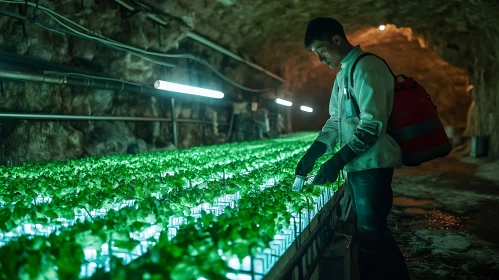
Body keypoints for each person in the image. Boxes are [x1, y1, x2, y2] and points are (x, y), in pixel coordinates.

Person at [295, 17, 410, 280]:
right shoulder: (342, 75)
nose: (320, 60)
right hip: (357, 165)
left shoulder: (367, 66)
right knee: (367, 230)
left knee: (372, 231)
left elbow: (372, 125)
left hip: (373, 164)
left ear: (336, 39)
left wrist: (336, 161)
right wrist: (314, 151)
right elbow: (336, 121)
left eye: (321, 51)